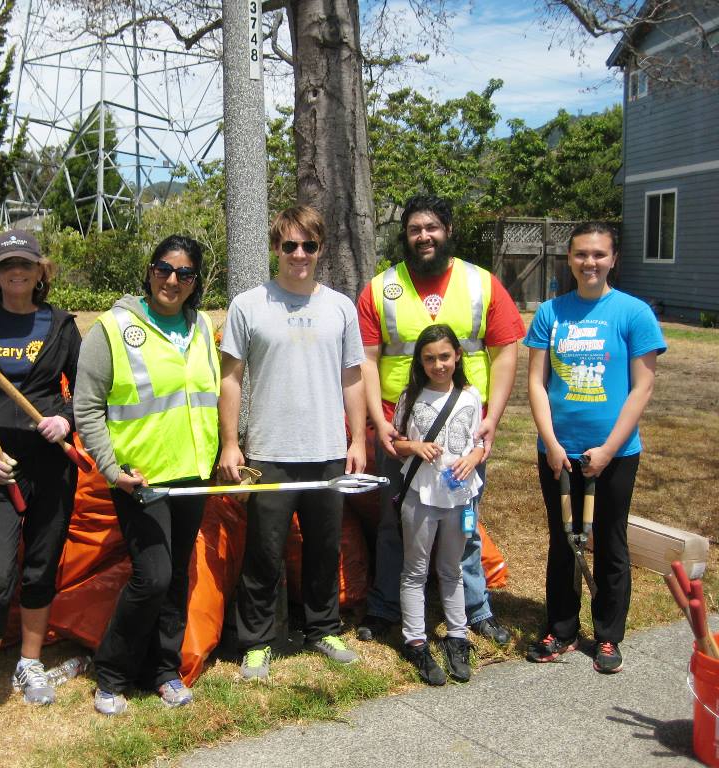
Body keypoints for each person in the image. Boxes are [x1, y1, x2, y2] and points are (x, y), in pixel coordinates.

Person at [355, 194, 525, 646]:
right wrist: (379, 421)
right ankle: (386, 606)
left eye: (432, 227)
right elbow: (366, 360)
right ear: (405, 236)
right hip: (401, 433)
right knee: (395, 520)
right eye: (414, 229)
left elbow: (506, 351)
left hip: (465, 430)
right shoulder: (380, 288)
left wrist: (494, 419)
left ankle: (474, 609)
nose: (424, 236)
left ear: (447, 231)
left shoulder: (481, 284)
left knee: (464, 518)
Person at [218, 205, 368, 682]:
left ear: (320, 249)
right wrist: (230, 443)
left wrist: (357, 438)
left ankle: (323, 627)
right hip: (268, 451)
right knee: (264, 551)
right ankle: (257, 642)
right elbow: (231, 380)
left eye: (309, 245)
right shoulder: (248, 305)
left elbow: (353, 378)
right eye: (289, 246)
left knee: (325, 546)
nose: (299, 254)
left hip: (326, 450)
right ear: (275, 249)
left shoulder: (341, 307)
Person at [74, 234, 219, 715]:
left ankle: (163, 670)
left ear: (195, 282)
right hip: (142, 479)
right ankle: (111, 673)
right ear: (149, 270)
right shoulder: (113, 329)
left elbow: (209, 397)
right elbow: (87, 407)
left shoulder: (201, 329)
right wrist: (112, 469)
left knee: (177, 575)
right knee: (152, 577)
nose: (172, 280)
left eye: (184, 273)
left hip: (194, 473)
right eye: (163, 268)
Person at [0, 229, 81, 736]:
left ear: (40, 270)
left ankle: (28, 661)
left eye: (25, 264)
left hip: (50, 462)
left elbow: (88, 390)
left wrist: (65, 419)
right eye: (6, 266)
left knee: (41, 566)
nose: (16, 273)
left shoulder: (62, 323)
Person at [524, 222, 665, 673]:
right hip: (559, 451)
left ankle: (607, 636)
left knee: (609, 541)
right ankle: (561, 629)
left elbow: (642, 388)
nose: (590, 263)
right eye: (582, 254)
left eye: (599, 255)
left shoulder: (633, 313)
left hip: (615, 454)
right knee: (564, 541)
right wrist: (550, 443)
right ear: (569, 258)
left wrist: (607, 449)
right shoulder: (550, 312)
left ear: (613, 259)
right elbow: (536, 382)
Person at [392, 324, 484, 686]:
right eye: (429, 358)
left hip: (460, 497)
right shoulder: (410, 397)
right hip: (421, 494)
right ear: (420, 361)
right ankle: (415, 639)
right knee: (415, 571)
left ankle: (457, 637)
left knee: (452, 568)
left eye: (444, 356)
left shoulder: (470, 396)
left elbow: (480, 442)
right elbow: (396, 442)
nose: (438, 365)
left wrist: (475, 457)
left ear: (457, 356)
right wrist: (414, 447)